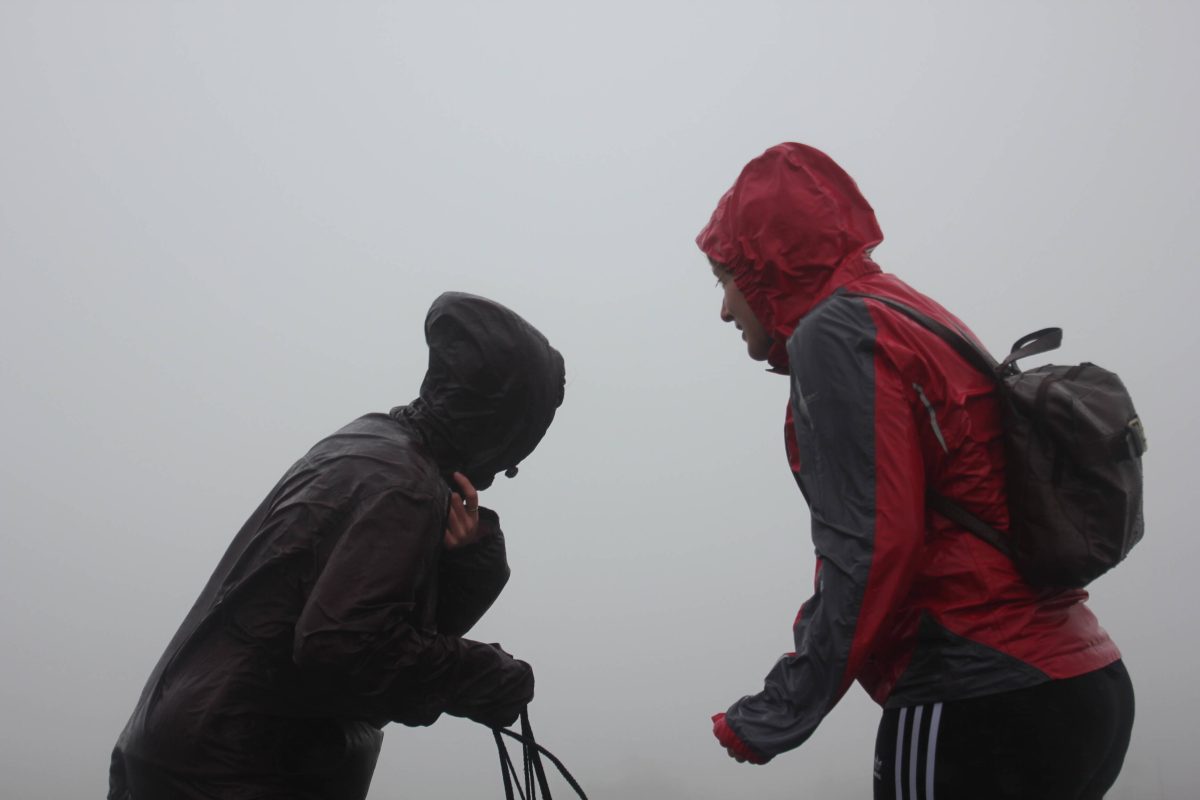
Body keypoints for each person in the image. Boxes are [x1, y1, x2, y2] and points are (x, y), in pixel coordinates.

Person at [697, 143, 1134, 799]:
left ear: (766, 269)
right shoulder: (899, 309)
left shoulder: (835, 333)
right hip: (1076, 679)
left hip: (979, 696)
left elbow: (875, 545)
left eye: (724, 281)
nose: (725, 310)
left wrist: (781, 708)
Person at [108, 291, 565, 800]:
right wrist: (489, 676)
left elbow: (375, 622)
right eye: (516, 447)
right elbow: (345, 647)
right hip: (239, 767)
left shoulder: (369, 443)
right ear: (496, 422)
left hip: (185, 745)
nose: (504, 469)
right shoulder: (403, 484)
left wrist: (471, 561)